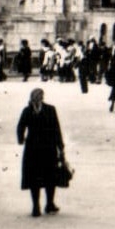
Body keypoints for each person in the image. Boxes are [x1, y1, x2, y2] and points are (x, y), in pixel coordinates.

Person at [16, 86, 66, 217]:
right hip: (35, 149)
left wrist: (60, 146)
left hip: (47, 148)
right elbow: (20, 126)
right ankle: (37, 206)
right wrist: (20, 138)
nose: (39, 98)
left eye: (40, 96)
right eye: (37, 96)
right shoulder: (28, 111)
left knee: (49, 178)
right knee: (35, 179)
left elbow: (56, 128)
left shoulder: (49, 109)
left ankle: (49, 204)